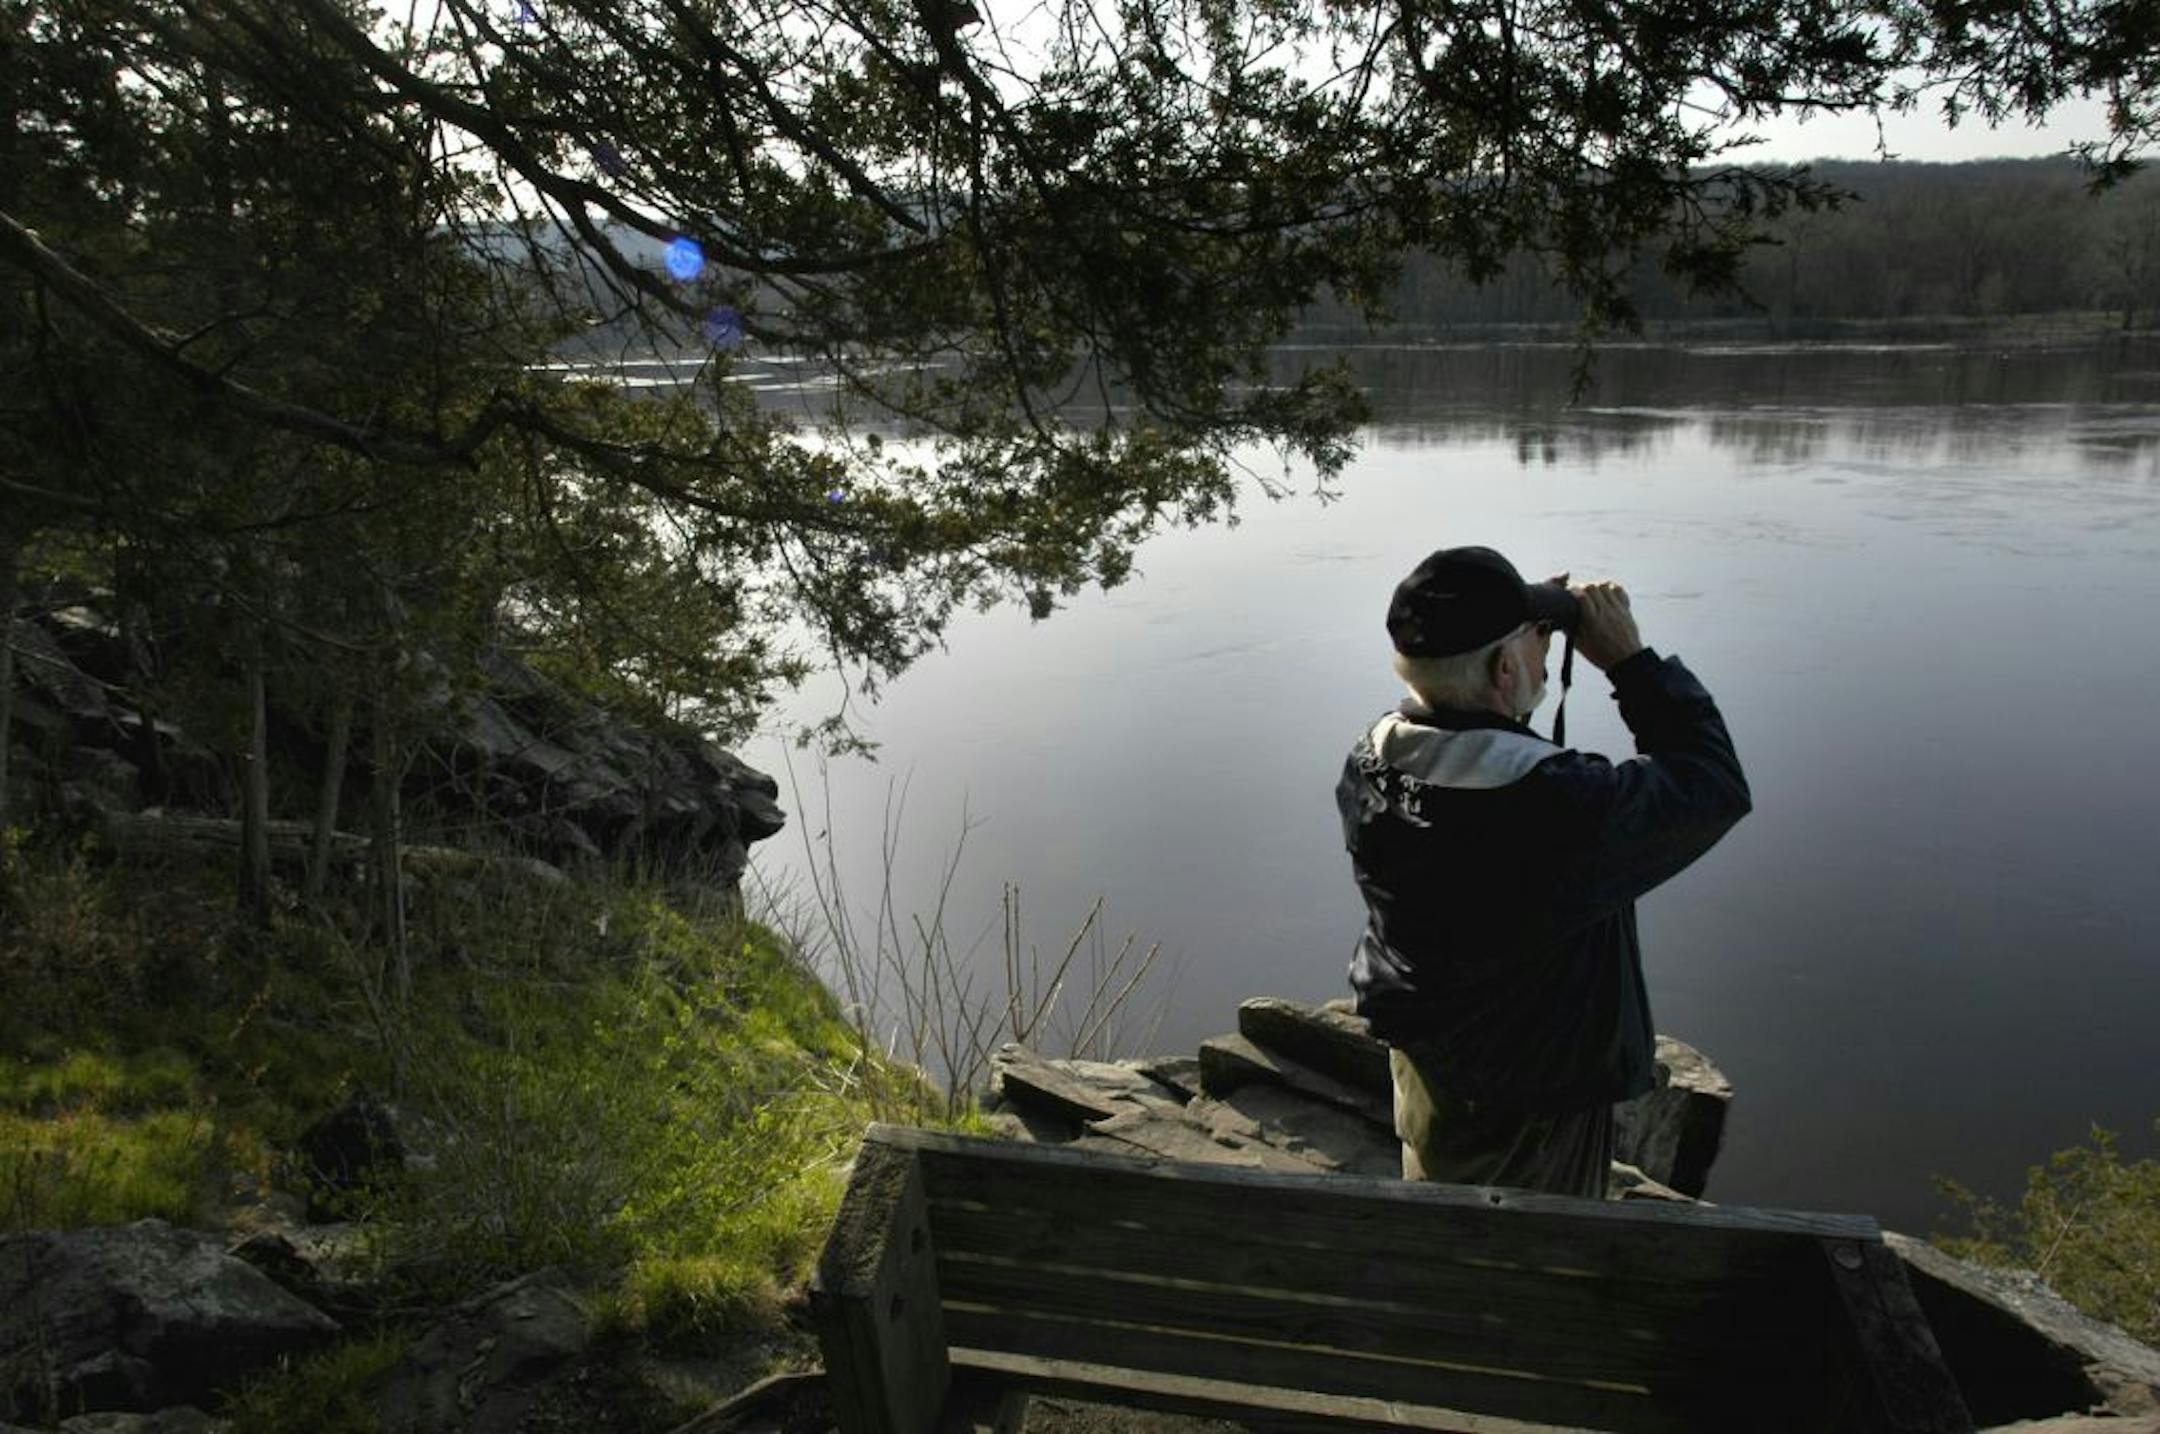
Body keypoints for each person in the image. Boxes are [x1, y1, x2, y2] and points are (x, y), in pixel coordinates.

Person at [1334, 546, 1751, 1199]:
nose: (1541, 653)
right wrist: (1632, 665)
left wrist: (1513, 666)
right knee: (1523, 1249)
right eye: (1530, 647)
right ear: (1504, 669)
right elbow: (1712, 784)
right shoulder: (1560, 809)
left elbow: (1477, 760)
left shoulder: (1375, 758)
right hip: (1532, 1105)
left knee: (1441, 1200)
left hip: (1428, 1063)